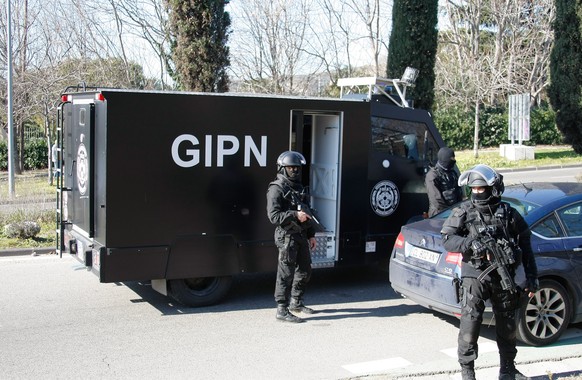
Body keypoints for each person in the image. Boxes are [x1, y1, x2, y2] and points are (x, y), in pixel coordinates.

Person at [440, 164, 538, 380]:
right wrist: (470, 243)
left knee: (508, 324)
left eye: (481, 188)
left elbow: (526, 243)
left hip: (505, 277)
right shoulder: (464, 212)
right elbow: (447, 239)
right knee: (470, 322)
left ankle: (508, 370)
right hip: (475, 275)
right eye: (473, 189)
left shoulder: (509, 214)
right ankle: (468, 372)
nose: (477, 193)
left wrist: (532, 277)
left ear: (493, 188)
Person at [266, 151, 317, 323]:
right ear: (282, 168)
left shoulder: (298, 187)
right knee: (285, 273)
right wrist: (294, 214)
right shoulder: (276, 188)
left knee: (305, 270)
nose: (294, 170)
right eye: (290, 167)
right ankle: (282, 309)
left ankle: (296, 302)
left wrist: (311, 235)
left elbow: (307, 213)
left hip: (301, 235)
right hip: (286, 236)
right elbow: (274, 216)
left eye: (297, 167)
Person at [425, 147, 463, 216]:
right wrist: (450, 212)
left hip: (455, 211)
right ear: (444, 159)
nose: (453, 161)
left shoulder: (452, 173)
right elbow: (436, 200)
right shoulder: (432, 176)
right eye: (451, 159)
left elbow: (458, 192)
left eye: (453, 158)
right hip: (439, 214)